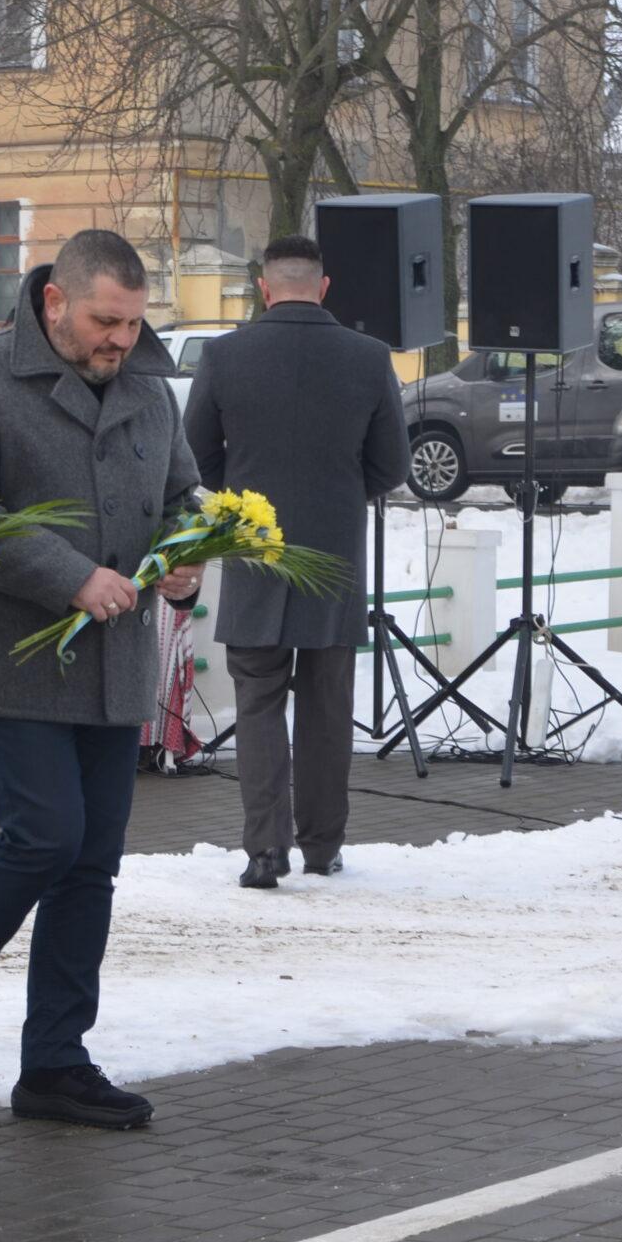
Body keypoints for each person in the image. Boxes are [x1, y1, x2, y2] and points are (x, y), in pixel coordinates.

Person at [0, 232, 201, 1128]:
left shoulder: (146, 383)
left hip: (114, 665)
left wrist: (186, 561)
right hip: (15, 663)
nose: (121, 341)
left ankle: (55, 1063)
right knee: (45, 835)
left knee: (91, 867)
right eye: (107, 321)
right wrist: (68, 574)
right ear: (54, 302)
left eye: (134, 323)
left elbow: (181, 496)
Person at [185, 233, 409, 889]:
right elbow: (392, 464)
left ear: (263, 286)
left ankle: (263, 852)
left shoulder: (225, 355)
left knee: (255, 706)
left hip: (256, 555)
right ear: (324, 285)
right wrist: (342, 496)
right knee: (327, 708)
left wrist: (246, 499)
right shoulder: (369, 357)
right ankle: (322, 847)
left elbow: (196, 454)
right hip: (335, 555)